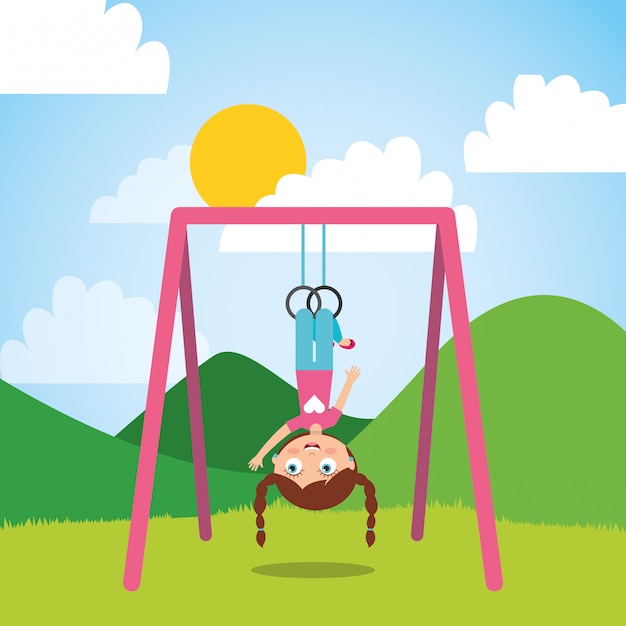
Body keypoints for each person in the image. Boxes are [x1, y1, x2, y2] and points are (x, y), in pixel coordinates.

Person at [248, 308, 377, 546]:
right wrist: (349, 381)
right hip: (325, 369)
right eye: (326, 467)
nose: (310, 455)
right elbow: (340, 401)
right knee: (326, 314)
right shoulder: (330, 420)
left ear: (279, 461)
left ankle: (336, 338)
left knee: (304, 319)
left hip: (303, 368)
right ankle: (338, 339)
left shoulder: (300, 422)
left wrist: (260, 454)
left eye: (293, 467)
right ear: (349, 463)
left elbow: (278, 435)